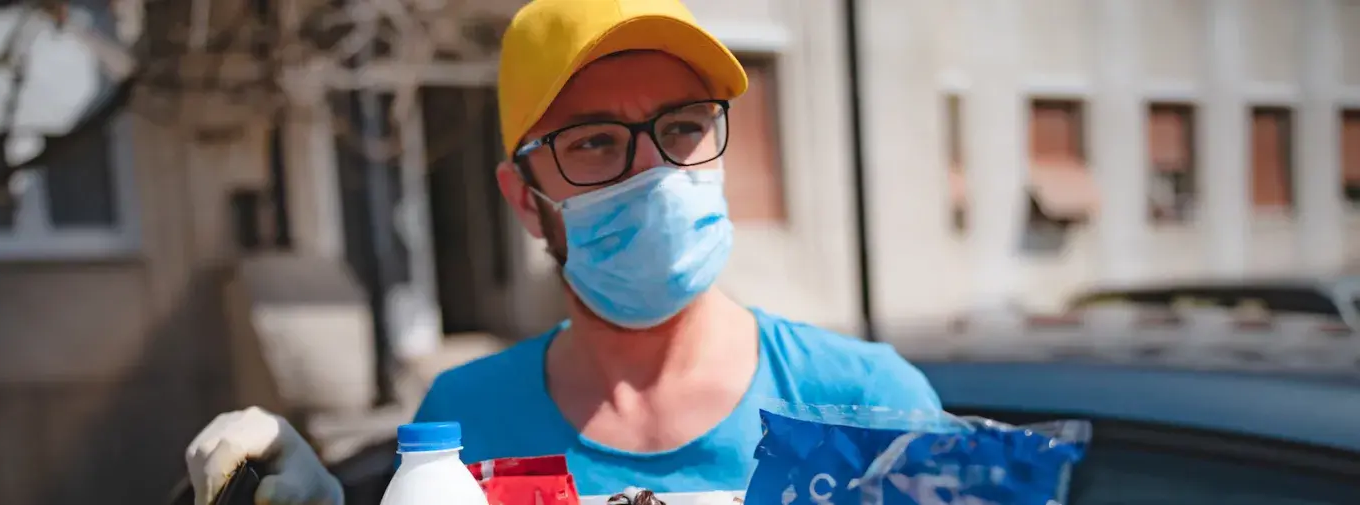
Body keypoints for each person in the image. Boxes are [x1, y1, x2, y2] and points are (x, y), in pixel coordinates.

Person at [184, 0, 942, 503]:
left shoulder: (869, 402)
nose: (654, 173)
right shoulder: (461, 422)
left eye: (683, 126)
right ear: (524, 199)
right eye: (595, 142)